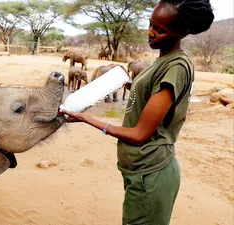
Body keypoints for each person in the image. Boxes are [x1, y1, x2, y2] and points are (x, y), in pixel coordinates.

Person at [59, 0, 214, 224]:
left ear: (183, 32)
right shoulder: (163, 59)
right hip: (141, 171)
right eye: (150, 25)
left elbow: (140, 133)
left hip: (150, 174)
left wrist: (87, 118)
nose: (150, 33)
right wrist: (127, 85)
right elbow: (153, 98)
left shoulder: (176, 67)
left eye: (160, 30)